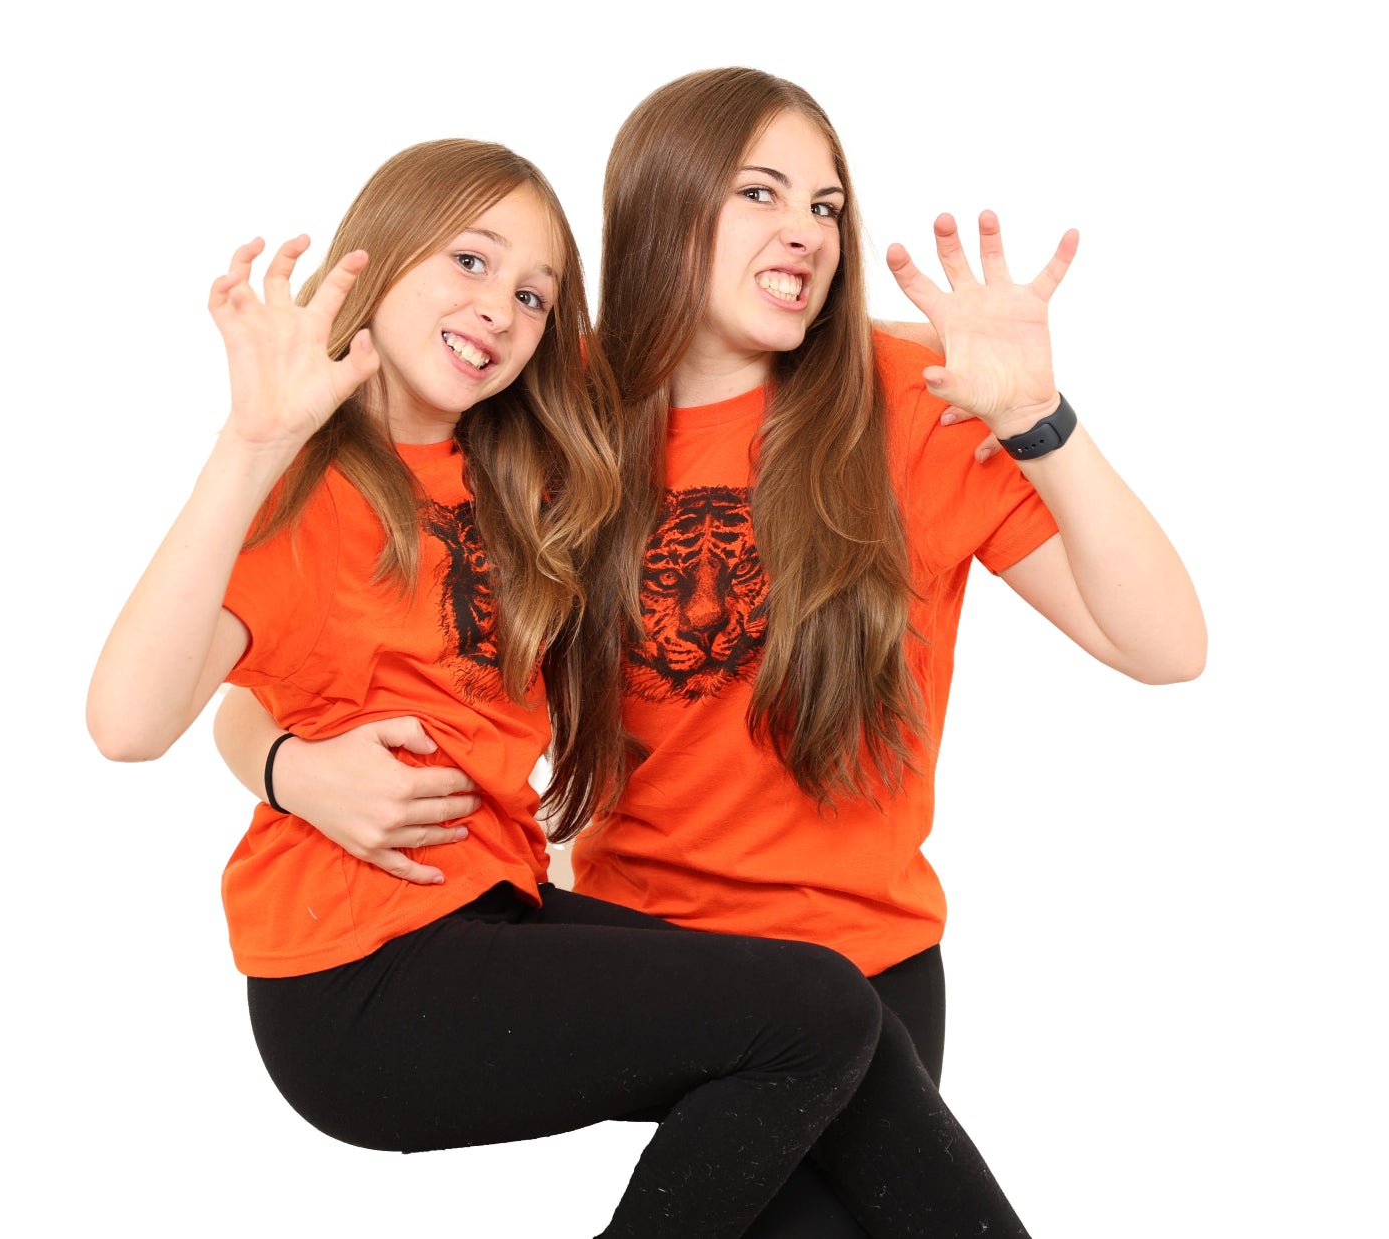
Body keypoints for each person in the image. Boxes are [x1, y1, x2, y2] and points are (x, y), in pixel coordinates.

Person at [216, 73, 1206, 1234]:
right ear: (665, 208)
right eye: (761, 192)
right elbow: (286, 666)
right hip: (645, 963)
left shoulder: (917, 405)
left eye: (828, 207)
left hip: (863, 969)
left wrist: (1039, 418)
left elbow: (1166, 646)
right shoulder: (550, 407)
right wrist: (290, 768)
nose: (806, 230)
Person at [87, 137, 906, 1239]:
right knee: (813, 1015)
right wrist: (250, 445)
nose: (501, 309)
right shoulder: (301, 491)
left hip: (490, 919)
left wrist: (952, 361)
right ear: (377, 263)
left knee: (850, 1026)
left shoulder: (517, 476)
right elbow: (132, 723)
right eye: (470, 264)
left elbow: (708, 356)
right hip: (359, 977)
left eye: (534, 294)